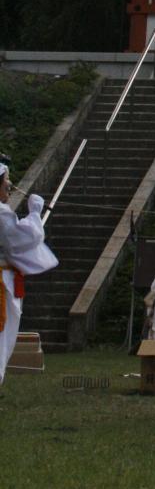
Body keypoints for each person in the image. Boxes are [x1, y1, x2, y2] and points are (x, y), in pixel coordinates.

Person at [0, 153, 58, 382]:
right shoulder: (1, 213)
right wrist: (35, 213)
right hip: (2, 283)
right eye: (5, 183)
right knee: (2, 336)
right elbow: (21, 239)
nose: (9, 188)